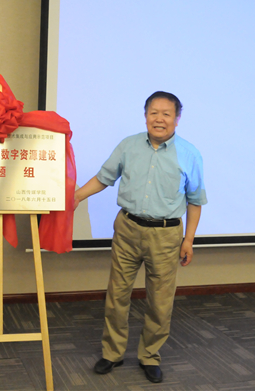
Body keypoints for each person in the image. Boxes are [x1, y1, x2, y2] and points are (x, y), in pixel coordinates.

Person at [74, 91, 207, 384]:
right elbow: (104, 178)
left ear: (177, 119)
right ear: (145, 115)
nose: (159, 119)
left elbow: (195, 200)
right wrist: (77, 196)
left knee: (160, 300)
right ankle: (112, 353)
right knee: (117, 294)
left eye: (166, 114)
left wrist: (188, 240)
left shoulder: (189, 153)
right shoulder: (128, 145)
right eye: (153, 113)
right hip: (127, 229)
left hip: (166, 235)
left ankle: (149, 356)